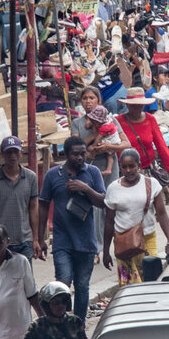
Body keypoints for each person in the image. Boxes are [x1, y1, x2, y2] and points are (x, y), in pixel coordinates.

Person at [38, 136, 106, 321]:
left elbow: (102, 202)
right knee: (63, 283)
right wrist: (40, 238)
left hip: (86, 242)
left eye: (83, 154)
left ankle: (79, 325)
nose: (79, 158)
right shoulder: (53, 175)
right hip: (62, 241)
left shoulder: (93, 173)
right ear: (66, 155)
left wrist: (86, 189)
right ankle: (59, 323)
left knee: (83, 286)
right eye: (75, 154)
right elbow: (43, 205)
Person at [103, 149, 169, 285]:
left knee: (151, 282)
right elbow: (108, 221)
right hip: (123, 244)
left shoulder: (151, 184)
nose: (128, 170)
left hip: (148, 239)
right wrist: (106, 251)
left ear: (139, 165)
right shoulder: (113, 188)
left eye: (132, 166)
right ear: (120, 167)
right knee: (129, 288)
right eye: (124, 167)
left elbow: (161, 213)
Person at [0, 136, 42, 261]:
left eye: (15, 152)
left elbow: (34, 207)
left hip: (24, 240)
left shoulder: (30, 177)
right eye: (8, 152)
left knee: (24, 278)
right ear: (2, 154)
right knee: (1, 277)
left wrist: (35, 239)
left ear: (21, 153)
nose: (12, 156)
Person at [117, 87, 169, 193]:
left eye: (140, 105)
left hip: (147, 170)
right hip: (125, 172)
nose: (137, 108)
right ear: (127, 105)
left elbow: (161, 146)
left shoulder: (150, 119)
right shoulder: (118, 121)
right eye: (133, 105)